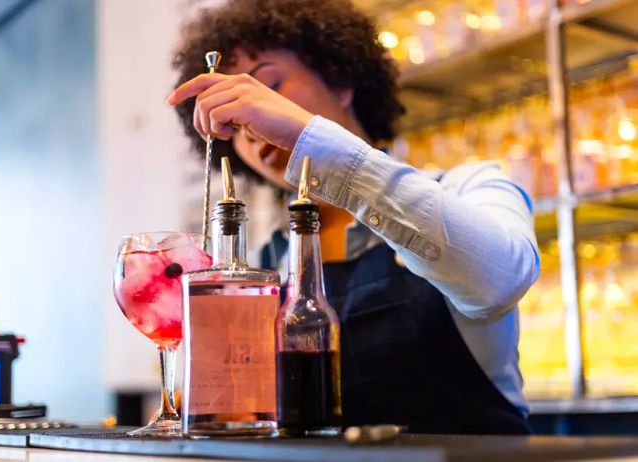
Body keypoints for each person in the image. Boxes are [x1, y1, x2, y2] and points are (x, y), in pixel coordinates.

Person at [168, 0, 540, 435]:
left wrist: (308, 136)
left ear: (341, 81)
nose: (250, 125)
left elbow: (500, 279)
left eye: (269, 87)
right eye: (232, 121)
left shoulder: (469, 187)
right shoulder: (265, 262)